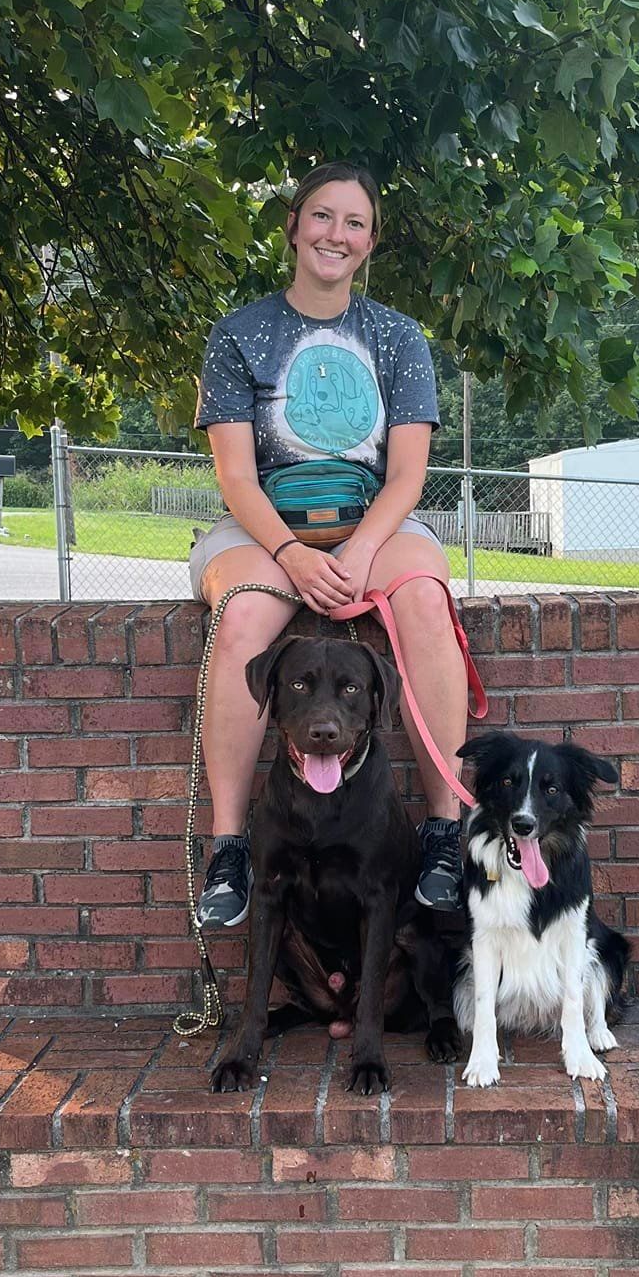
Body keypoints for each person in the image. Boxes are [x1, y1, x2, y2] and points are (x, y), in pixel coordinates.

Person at [189, 162, 469, 935]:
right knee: (243, 620)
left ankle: (444, 832)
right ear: (293, 226)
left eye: (354, 223)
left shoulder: (397, 337)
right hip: (261, 529)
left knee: (423, 598)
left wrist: (359, 551)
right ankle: (230, 848)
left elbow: (408, 475)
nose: (335, 235)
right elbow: (237, 478)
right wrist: (291, 555)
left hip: (374, 524)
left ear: (370, 242)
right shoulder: (240, 335)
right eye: (322, 217)